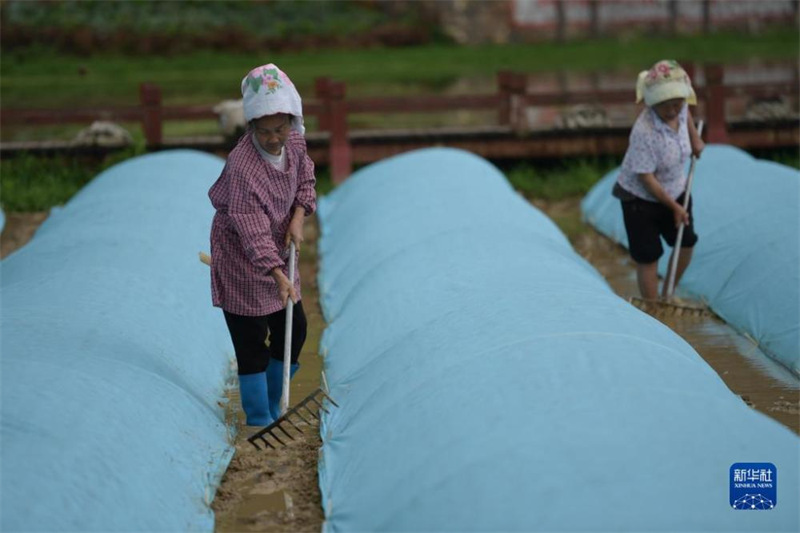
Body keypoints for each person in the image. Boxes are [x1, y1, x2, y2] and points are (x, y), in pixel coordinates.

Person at [208, 63, 316, 427]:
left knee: (294, 329)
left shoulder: (295, 142)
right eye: (265, 131)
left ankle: (275, 409)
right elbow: (253, 233)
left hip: (279, 248)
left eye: (280, 129)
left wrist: (298, 217)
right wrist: (278, 274)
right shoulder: (242, 168)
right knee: (251, 341)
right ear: (251, 125)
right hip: (242, 257)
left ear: (291, 121)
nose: (273, 139)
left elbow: (306, 180)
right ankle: (258, 421)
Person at [613, 59, 705, 301]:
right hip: (640, 198)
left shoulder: (680, 107)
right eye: (666, 106)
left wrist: (695, 139)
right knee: (648, 255)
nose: (673, 110)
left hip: (676, 188)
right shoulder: (644, 132)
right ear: (652, 102)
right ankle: (653, 309)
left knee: (686, 242)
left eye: (677, 103)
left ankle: (668, 294)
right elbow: (647, 179)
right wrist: (674, 207)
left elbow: (686, 115)